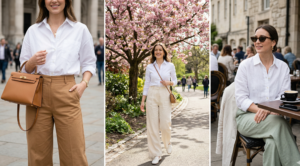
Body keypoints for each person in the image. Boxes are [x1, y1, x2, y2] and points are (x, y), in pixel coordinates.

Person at [19, 0, 96, 165]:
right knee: (38, 155)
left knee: (74, 155)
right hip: (37, 93)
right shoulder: (33, 31)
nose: (54, 1)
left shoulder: (80, 29)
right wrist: (32, 62)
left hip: (67, 90)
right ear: (43, 2)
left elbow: (89, 62)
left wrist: (83, 84)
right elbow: (24, 70)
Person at [235, 24, 300, 165]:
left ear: (273, 42)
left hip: (273, 117)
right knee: (280, 124)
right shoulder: (245, 66)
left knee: (273, 143)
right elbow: (240, 99)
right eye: (255, 38)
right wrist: (262, 110)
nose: (257, 41)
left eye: (262, 38)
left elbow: (283, 96)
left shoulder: (282, 67)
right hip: (247, 118)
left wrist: (268, 110)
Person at [140, 43, 177, 165]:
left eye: (160, 50)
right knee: (152, 126)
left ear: (164, 52)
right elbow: (146, 84)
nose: (158, 52)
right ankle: (156, 153)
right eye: (156, 50)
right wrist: (143, 100)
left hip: (164, 94)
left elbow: (175, 81)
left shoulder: (170, 65)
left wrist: (169, 82)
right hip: (152, 94)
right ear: (153, 53)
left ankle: (168, 142)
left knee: (166, 123)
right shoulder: (150, 67)